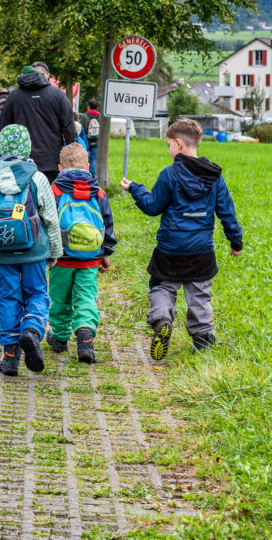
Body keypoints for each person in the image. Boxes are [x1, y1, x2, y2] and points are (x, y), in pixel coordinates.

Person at [120, 118, 243, 359]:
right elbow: (227, 211)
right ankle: (203, 337)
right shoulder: (214, 176)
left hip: (170, 247)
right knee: (199, 292)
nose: (168, 150)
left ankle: (163, 319)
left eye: (168, 145)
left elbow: (153, 206)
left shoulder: (169, 174)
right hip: (201, 249)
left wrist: (135, 188)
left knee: (162, 285)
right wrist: (235, 241)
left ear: (178, 143)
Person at [0, 125, 62, 376]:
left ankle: (10, 358)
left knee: (8, 299)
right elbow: (51, 219)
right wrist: (54, 251)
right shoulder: (37, 177)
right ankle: (31, 330)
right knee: (37, 293)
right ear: (27, 147)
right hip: (34, 250)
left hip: (2, 249)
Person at [47, 143, 116, 363]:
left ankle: (59, 338)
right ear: (87, 165)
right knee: (86, 297)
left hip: (62, 258)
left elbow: (47, 222)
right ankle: (85, 336)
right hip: (90, 258)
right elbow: (107, 225)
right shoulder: (99, 192)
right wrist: (105, 254)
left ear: (60, 167)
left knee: (59, 298)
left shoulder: (54, 190)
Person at [0, 65, 76, 183]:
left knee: (24, 199)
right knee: (50, 199)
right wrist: (72, 158)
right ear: (45, 76)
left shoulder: (14, 96)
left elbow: (4, 130)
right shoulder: (57, 94)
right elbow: (69, 128)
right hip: (51, 161)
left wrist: (2, 157)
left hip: (21, 163)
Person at [79, 99, 102, 174]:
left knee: (85, 159)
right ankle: (92, 176)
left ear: (88, 106)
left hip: (86, 141)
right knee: (93, 160)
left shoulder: (84, 116)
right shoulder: (100, 117)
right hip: (96, 141)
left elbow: (80, 128)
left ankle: (85, 175)